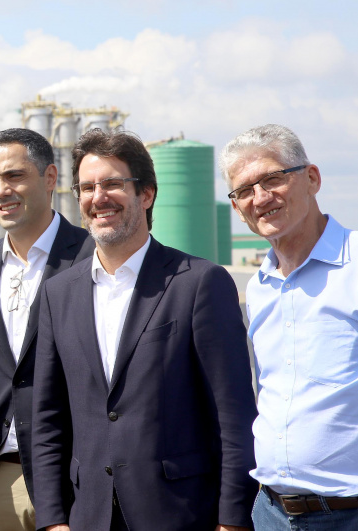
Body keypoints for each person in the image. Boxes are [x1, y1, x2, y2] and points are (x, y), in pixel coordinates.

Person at [31, 128, 258, 531]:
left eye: (113, 184)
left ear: (147, 194)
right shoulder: (56, 293)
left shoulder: (199, 282)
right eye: (86, 187)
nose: (98, 197)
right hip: (89, 518)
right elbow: (48, 418)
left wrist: (234, 519)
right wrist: (52, 520)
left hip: (180, 514)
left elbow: (233, 416)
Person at [0, 128, 93, 531]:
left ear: (49, 178)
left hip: (76, 479)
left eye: (14, 176)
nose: (1, 191)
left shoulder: (92, 255)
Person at [220, 124, 358, 530]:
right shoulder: (259, 288)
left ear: (312, 178)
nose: (260, 198)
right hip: (271, 513)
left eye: (273, 178)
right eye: (244, 190)